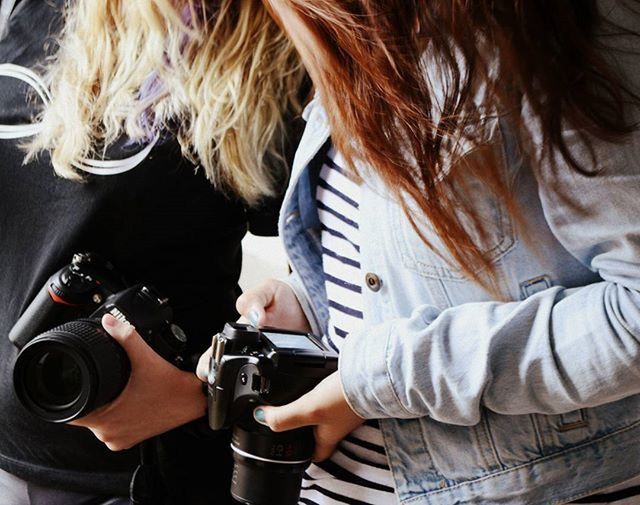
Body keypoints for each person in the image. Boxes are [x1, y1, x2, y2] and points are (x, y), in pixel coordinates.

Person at [199, 0, 640, 503]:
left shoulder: (558, 29)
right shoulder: (361, 37)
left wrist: (380, 378)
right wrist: (311, 302)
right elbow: (421, 261)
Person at [0, 0, 304, 503]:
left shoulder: (268, 45)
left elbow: (337, 298)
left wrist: (205, 396)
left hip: (140, 475)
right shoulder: (36, 10)